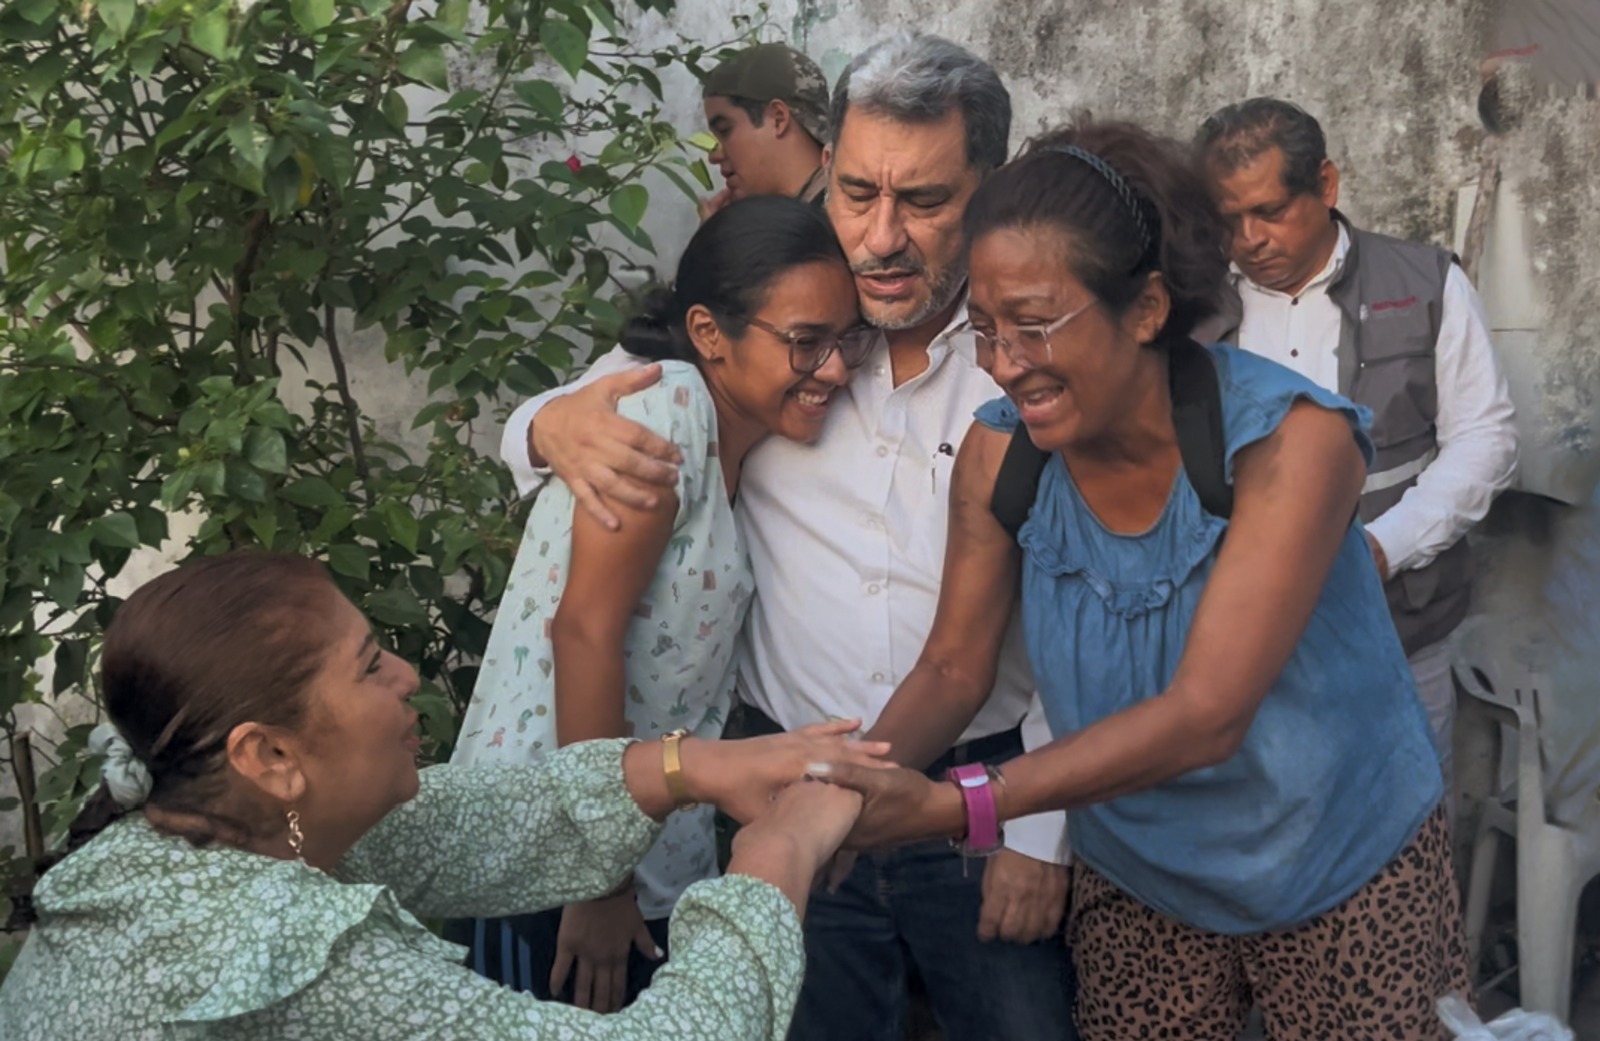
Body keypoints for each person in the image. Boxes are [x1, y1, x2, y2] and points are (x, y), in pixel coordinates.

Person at [812, 120, 1472, 1041]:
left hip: (1339, 863)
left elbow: (1209, 711)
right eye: (988, 329)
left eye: (1036, 325)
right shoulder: (1002, 453)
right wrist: (843, 791)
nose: (1004, 363)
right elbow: (955, 668)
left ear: (1149, 308)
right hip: (1144, 878)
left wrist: (964, 803)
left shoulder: (1290, 444)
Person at [501, 33, 1077, 1041]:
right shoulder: (776, 312)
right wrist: (541, 426)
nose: (881, 237)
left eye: (925, 201)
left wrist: (1040, 827)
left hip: (978, 801)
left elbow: (1090, 598)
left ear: (989, 186)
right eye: (857, 192)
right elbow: (614, 391)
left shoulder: (1027, 351)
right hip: (775, 794)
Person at [0, 551, 885, 1041]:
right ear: (270, 753)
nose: (408, 676)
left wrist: (692, 767)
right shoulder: (288, 950)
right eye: (369, 666)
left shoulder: (193, 832)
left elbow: (487, 821)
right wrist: (775, 857)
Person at [447, 196, 871, 1012]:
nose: (837, 370)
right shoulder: (664, 410)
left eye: (846, 338)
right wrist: (599, 880)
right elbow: (585, 631)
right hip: (555, 856)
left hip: (649, 856)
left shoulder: (743, 446)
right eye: (806, 342)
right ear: (711, 333)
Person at [1195, 98, 1518, 804]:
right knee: (1268, 834)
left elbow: (1485, 438)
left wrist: (1384, 547)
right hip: (1239, 648)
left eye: (1271, 211)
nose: (1249, 240)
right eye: (1229, 220)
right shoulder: (1196, 309)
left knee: (1402, 826)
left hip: (1399, 633)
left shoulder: (1425, 285)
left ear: (1328, 185)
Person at [698, 42, 831, 221]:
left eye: (725, 130)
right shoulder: (794, 220)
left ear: (778, 118)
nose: (714, 156)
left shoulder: (841, 222)